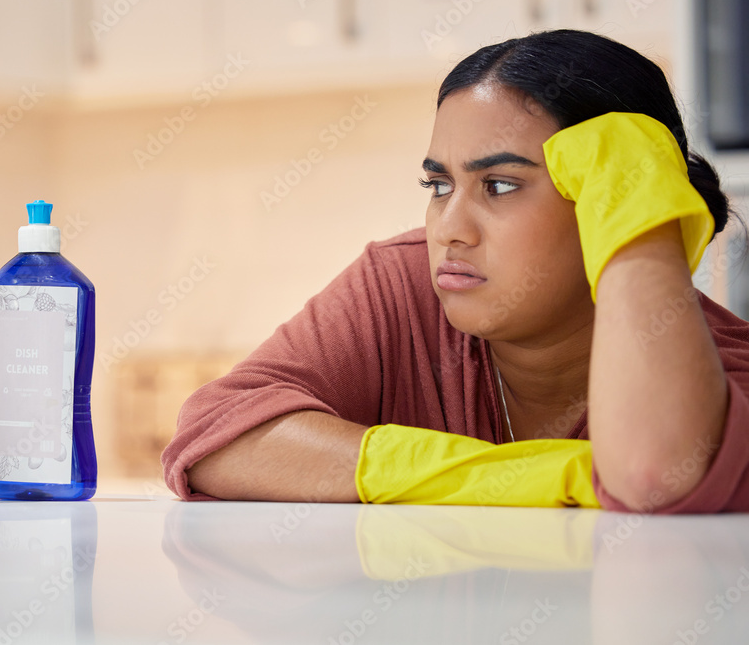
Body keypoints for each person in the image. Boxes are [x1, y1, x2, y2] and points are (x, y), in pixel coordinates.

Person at [160, 29, 749, 514]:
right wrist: (534, 477)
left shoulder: (722, 362)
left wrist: (644, 215)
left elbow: (651, 472)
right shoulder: (404, 283)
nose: (450, 228)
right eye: (439, 185)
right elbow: (216, 433)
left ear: (604, 198)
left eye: (499, 185)